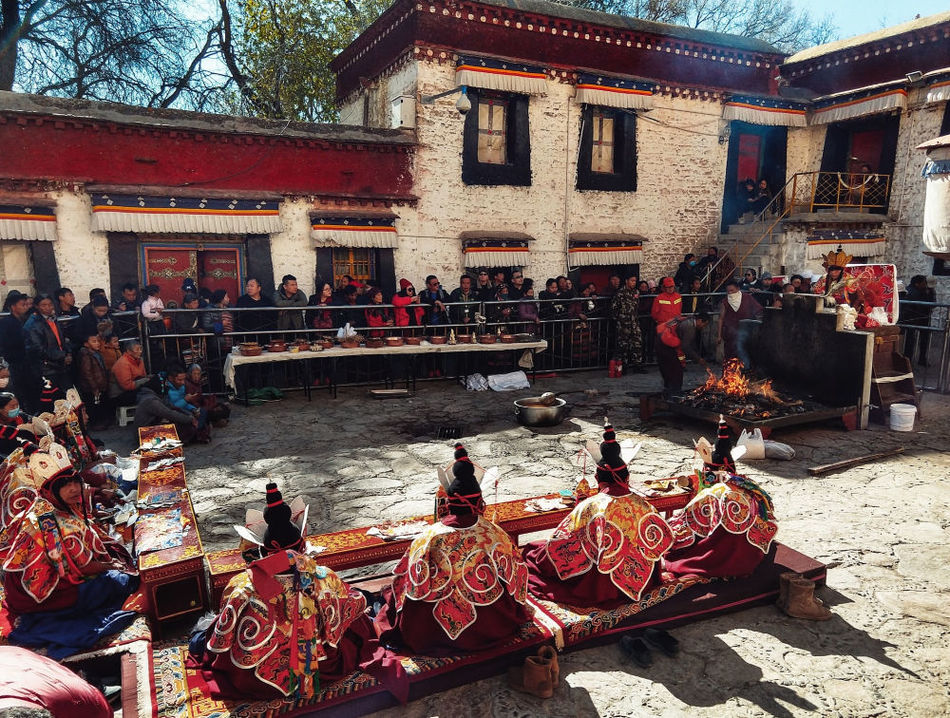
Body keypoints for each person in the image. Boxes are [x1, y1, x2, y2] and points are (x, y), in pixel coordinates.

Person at [200, 483, 381, 699]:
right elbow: (350, 607)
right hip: (316, 664)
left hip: (254, 679)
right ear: (302, 546)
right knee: (357, 607)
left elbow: (223, 626)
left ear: (262, 550)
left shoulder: (243, 586)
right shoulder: (322, 576)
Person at [375, 443, 532, 654]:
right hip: (489, 624)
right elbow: (516, 576)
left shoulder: (428, 537)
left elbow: (409, 581)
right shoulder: (493, 533)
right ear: (479, 501)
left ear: (449, 503)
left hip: (431, 631)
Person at [2, 443, 138, 657]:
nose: (74, 488)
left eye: (75, 481)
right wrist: (111, 565)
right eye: (64, 485)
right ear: (50, 490)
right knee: (121, 580)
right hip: (43, 592)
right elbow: (82, 567)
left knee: (116, 565)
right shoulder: (53, 523)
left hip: (27, 584)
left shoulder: (47, 504)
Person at [522, 422, 675, 608]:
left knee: (533, 552)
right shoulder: (644, 505)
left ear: (597, 479)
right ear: (627, 478)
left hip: (600, 584)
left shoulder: (590, 506)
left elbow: (565, 541)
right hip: (643, 577)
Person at [664, 419, 778, 580]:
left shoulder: (714, 492)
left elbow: (687, 523)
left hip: (720, 553)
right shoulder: (748, 485)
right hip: (751, 554)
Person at [24, 294, 73, 403]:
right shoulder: (33, 324)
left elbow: (62, 340)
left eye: (50, 304)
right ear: (37, 306)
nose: (48, 307)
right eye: (44, 305)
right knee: (52, 400)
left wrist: (68, 353)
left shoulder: (53, 319)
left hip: (60, 364)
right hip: (47, 368)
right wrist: (62, 356)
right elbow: (38, 349)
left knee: (68, 396)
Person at [655, 312, 710, 396]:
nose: (703, 327)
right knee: (676, 370)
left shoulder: (688, 320)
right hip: (665, 343)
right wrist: (698, 359)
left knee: (667, 367)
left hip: (661, 339)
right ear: (699, 320)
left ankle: (668, 389)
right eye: (704, 324)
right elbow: (686, 347)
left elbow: (690, 343)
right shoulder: (690, 327)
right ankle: (674, 393)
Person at [133, 376, 199, 443]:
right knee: (183, 427)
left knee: (183, 424)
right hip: (143, 435)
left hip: (149, 429)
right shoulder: (150, 400)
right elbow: (169, 413)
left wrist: (189, 415)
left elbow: (171, 407)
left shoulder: (155, 396)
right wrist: (189, 419)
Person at [717, 280, 762, 367]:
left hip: (746, 333)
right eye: (728, 291)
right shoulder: (725, 302)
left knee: (746, 356)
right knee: (730, 358)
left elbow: (758, 311)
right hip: (730, 335)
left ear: (738, 289)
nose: (730, 293)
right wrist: (719, 335)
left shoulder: (747, 298)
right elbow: (721, 319)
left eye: (732, 290)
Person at [0, 290, 32, 403]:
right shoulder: (6, 323)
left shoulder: (23, 321)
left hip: (26, 366)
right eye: (22, 305)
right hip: (14, 367)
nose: (25, 307)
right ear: (13, 307)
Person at [164, 363, 209, 443]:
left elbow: (185, 404)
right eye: (179, 380)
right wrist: (185, 400)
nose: (183, 382)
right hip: (174, 416)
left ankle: (198, 432)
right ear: (171, 379)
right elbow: (172, 408)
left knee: (202, 412)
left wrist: (193, 409)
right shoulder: (168, 391)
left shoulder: (181, 387)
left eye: (183, 380)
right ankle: (198, 433)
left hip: (185, 411)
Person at [812, 246, 866, 313]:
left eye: (837, 271)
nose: (833, 273)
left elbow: (859, 297)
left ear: (842, 270)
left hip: (844, 309)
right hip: (825, 307)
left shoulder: (848, 278)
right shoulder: (824, 278)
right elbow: (815, 291)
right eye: (831, 270)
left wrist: (853, 310)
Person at [609, 275, 644, 373]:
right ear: (626, 281)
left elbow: (637, 306)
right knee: (622, 346)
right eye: (632, 280)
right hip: (623, 323)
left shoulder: (636, 292)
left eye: (635, 281)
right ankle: (622, 366)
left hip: (634, 322)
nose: (634, 283)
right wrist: (619, 320)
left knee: (637, 344)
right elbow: (614, 308)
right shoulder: (620, 293)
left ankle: (638, 365)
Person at [76, 333, 111, 431]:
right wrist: (94, 387)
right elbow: (87, 373)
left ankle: (101, 422)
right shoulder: (86, 355)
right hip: (91, 387)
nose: (97, 344)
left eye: (98, 341)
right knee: (92, 405)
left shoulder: (96, 353)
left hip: (99, 385)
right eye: (94, 341)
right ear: (86, 344)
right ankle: (95, 424)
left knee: (99, 404)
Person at [902, 275, 935, 365]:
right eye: (924, 283)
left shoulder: (914, 290)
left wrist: (931, 291)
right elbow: (928, 304)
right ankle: (909, 360)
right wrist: (930, 293)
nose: (925, 284)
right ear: (917, 284)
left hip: (918, 318)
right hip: (915, 318)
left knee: (916, 339)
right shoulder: (915, 292)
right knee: (911, 340)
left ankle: (911, 360)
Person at [185, 363, 230, 427]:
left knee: (225, 407)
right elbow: (193, 403)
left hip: (202, 406)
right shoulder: (188, 385)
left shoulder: (197, 383)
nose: (196, 376)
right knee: (216, 411)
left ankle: (216, 420)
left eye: (198, 374)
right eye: (194, 374)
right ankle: (214, 422)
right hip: (197, 410)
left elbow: (200, 397)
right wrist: (209, 407)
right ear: (189, 374)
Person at [108, 340, 150, 407]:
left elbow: (143, 376)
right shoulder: (123, 363)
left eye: (140, 349)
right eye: (137, 349)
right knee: (148, 397)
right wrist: (145, 380)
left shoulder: (140, 360)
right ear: (129, 351)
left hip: (133, 390)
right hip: (119, 395)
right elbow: (127, 386)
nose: (140, 351)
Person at [0, 391, 36, 456]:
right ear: (1, 409)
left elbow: (36, 423)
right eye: (12, 406)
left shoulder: (21, 417)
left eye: (17, 405)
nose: (16, 408)